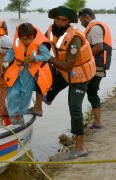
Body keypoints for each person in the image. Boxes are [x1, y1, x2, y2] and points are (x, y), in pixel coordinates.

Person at [44, 6, 96, 159]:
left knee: (75, 108)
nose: (59, 23)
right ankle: (46, 99)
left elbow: (69, 65)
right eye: (57, 19)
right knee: (43, 80)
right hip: (65, 72)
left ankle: (80, 148)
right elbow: (40, 41)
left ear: (69, 22)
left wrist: (47, 57)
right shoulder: (51, 30)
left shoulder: (74, 38)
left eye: (64, 20)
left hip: (80, 75)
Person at [3, 23, 52, 125]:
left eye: (30, 39)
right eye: (24, 39)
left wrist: (35, 58)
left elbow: (47, 55)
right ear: (20, 37)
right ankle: (12, 114)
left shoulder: (39, 44)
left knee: (26, 95)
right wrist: (6, 60)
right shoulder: (16, 43)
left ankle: (21, 114)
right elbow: (11, 52)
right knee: (12, 94)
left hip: (29, 73)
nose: (27, 41)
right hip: (16, 71)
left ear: (33, 36)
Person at [78, 8, 112, 129]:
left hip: (97, 65)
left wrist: (81, 58)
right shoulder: (98, 26)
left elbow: (98, 47)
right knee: (91, 91)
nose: (81, 23)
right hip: (98, 64)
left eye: (81, 20)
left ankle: (97, 122)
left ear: (87, 17)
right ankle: (97, 122)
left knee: (88, 91)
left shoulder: (95, 28)